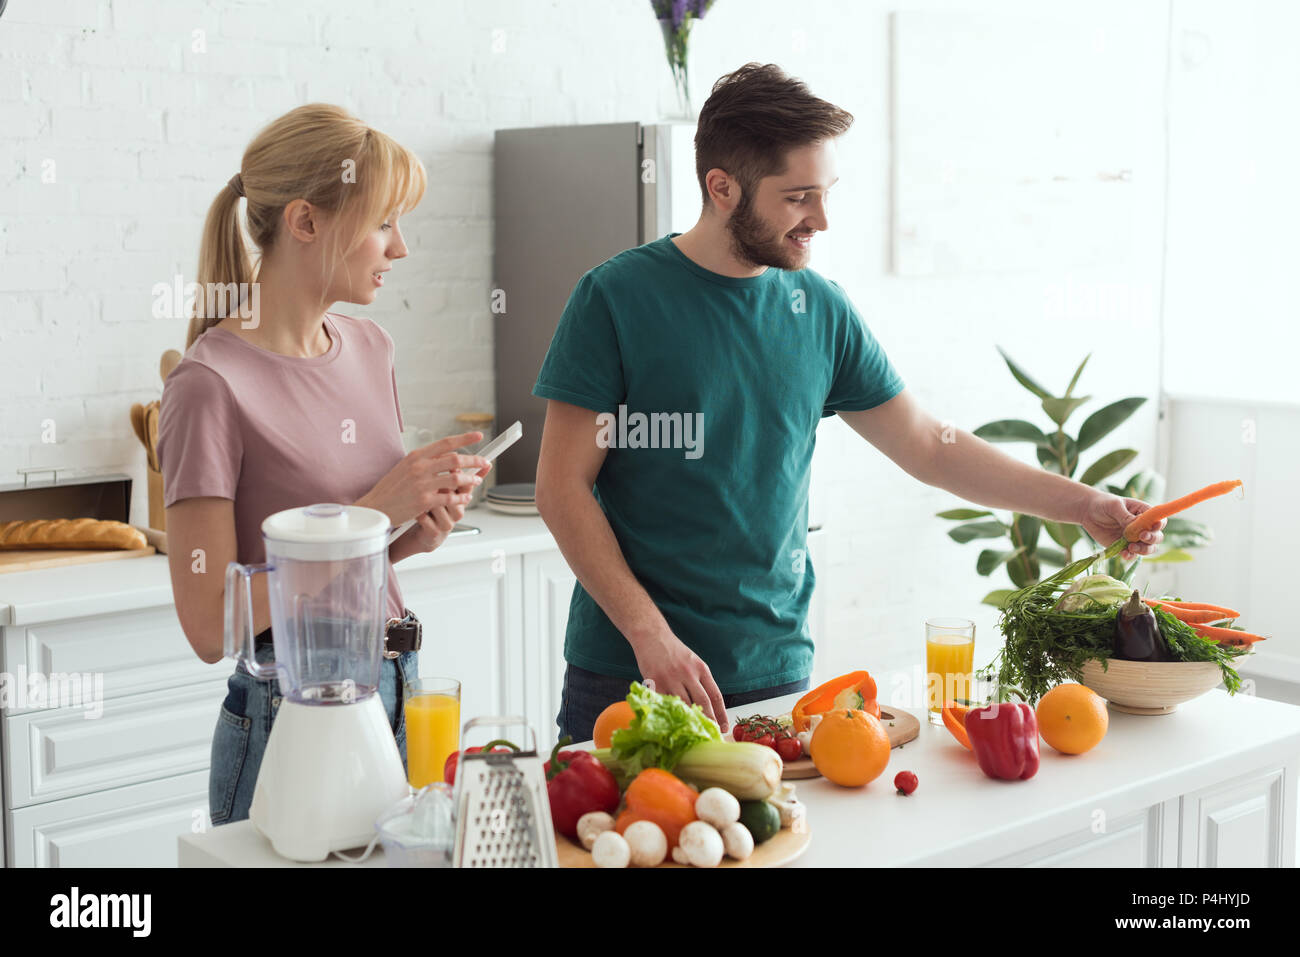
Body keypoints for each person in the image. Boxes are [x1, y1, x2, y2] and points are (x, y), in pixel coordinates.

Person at [533, 64, 1165, 742]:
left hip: (774, 672)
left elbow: (926, 443)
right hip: (630, 667)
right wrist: (649, 634)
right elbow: (561, 487)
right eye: (799, 197)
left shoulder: (820, 309)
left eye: (827, 193)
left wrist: (1084, 505)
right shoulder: (615, 298)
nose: (822, 219)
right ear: (722, 188)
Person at [157, 103, 491, 827]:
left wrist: (415, 527)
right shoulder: (208, 385)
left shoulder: (372, 350)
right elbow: (210, 623)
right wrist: (376, 511)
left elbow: (355, 557)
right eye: (382, 223)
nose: (399, 247)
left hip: (400, 682)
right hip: (291, 711)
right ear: (305, 222)